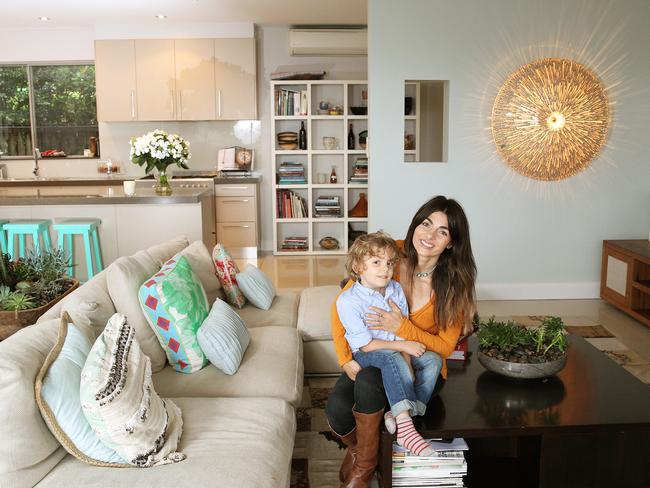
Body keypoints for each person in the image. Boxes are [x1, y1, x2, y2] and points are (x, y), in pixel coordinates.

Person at [325, 195, 477, 488]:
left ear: (452, 242)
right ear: (415, 225)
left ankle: (365, 469)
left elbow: (444, 348)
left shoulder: (454, 286)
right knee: (336, 413)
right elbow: (342, 303)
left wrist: (403, 328)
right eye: (426, 223)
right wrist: (345, 359)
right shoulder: (389, 254)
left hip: (419, 367)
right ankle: (360, 450)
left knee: (369, 384)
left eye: (442, 231)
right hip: (374, 352)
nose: (430, 235)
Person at [336, 231, 442, 458]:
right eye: (376, 262)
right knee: (391, 357)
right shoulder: (349, 301)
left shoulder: (394, 290)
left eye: (389, 263)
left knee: (433, 360)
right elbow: (365, 345)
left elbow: (402, 330)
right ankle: (405, 428)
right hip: (368, 352)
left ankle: (406, 415)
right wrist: (404, 349)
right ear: (358, 266)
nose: (385, 269)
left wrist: (408, 362)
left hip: (396, 347)